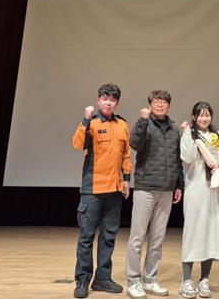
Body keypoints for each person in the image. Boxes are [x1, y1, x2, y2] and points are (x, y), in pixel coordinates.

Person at [71, 83, 131, 299]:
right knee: (86, 237)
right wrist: (85, 119)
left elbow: (126, 155)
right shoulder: (92, 123)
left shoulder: (122, 124)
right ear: (98, 100)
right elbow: (78, 144)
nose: (108, 103)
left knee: (108, 237)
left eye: (113, 100)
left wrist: (126, 180)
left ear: (117, 103)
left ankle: (102, 279)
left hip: (114, 190)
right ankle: (82, 280)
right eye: (105, 98)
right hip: (93, 190)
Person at [126, 90, 184, 299]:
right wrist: (142, 121)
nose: (160, 104)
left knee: (157, 239)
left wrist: (179, 185)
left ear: (168, 105)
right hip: (146, 187)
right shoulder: (144, 123)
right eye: (156, 101)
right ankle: (133, 282)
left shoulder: (175, 129)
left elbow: (178, 160)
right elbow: (135, 144)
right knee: (137, 237)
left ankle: (150, 279)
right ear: (150, 104)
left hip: (167, 190)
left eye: (164, 101)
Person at [179, 101, 219, 299]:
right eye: (200, 115)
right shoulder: (191, 135)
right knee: (193, 232)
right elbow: (187, 157)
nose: (204, 118)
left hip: (214, 193)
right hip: (196, 191)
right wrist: (187, 133)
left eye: (207, 115)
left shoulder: (218, 136)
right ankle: (186, 280)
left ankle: (204, 279)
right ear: (194, 117)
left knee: (211, 233)